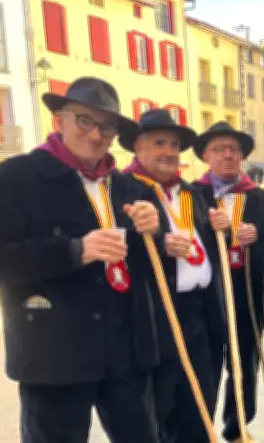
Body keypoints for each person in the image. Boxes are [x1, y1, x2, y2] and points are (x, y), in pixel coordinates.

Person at [0, 76, 161, 442]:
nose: (95, 134)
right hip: (53, 353)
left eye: (106, 126)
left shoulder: (127, 186)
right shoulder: (16, 177)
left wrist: (154, 233)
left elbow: (150, 265)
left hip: (125, 351)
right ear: (61, 120)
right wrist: (74, 251)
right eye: (83, 120)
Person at [120, 108, 229, 443]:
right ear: (138, 147)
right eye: (158, 143)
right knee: (161, 411)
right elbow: (113, 243)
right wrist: (157, 243)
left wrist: (220, 232)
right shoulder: (124, 189)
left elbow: (205, 245)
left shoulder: (189, 193)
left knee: (200, 408)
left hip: (199, 316)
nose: (169, 151)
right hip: (155, 319)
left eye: (173, 144)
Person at [192, 122, 264, 443]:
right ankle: (204, 428)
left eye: (234, 150)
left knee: (245, 366)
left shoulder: (262, 199)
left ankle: (238, 426)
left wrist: (260, 236)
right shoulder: (193, 195)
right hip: (207, 297)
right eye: (219, 150)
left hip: (248, 293)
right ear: (206, 156)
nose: (228, 156)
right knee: (207, 365)